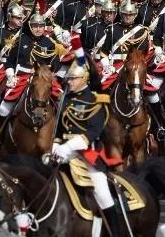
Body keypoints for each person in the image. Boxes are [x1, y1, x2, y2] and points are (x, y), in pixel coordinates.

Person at [49, 45, 124, 237]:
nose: (69, 82)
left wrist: (68, 147)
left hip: (87, 154)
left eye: (73, 79)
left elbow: (93, 132)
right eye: (69, 79)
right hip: (61, 153)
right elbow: (58, 129)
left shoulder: (97, 100)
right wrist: (56, 145)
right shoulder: (65, 99)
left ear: (83, 79)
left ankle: (117, 232)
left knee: (103, 193)